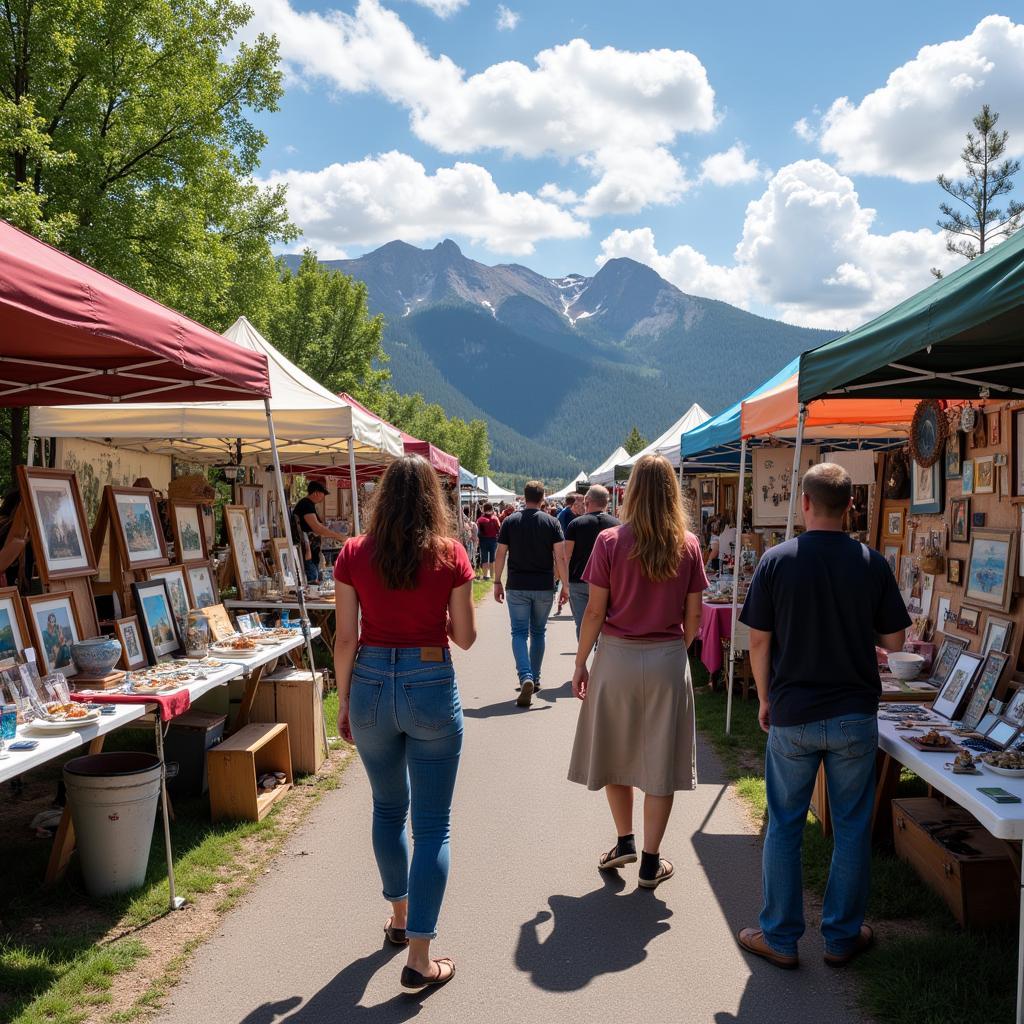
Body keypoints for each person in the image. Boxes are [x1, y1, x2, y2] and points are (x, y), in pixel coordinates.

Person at [736, 462, 910, 970]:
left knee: (785, 825)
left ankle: (781, 938)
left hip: (792, 712)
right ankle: (841, 937)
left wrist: (765, 698)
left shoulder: (775, 561)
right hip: (854, 713)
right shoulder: (872, 563)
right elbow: (895, 642)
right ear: (851, 506)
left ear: (805, 503)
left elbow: (758, 641)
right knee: (852, 827)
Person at [333, 455, 477, 992]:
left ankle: (398, 918)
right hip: (430, 679)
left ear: (382, 498)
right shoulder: (451, 555)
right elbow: (464, 637)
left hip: (369, 680)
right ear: (432, 500)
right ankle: (419, 955)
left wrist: (344, 700)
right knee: (432, 823)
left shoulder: (353, 553)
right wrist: (432, 614)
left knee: (387, 808)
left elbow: (345, 637)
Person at [568, 454, 706, 889]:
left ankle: (624, 840)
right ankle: (650, 861)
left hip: (617, 658)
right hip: (666, 656)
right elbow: (695, 617)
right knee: (660, 761)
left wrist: (580, 662)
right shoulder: (687, 544)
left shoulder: (609, 542)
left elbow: (594, 610)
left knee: (615, 752)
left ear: (631, 494)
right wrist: (673, 651)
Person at [493, 480, 568, 707]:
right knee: (538, 632)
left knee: (518, 633)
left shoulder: (510, 521)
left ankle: (525, 675)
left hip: (517, 585)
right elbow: (560, 557)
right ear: (543, 497)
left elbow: (500, 554)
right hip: (544, 585)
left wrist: (496, 581)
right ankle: (534, 678)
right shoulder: (552, 522)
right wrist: (565, 585)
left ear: (524, 497)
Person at [564, 485, 620, 639]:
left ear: (587, 501)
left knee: (582, 625)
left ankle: (584, 658)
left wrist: (563, 582)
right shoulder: (618, 525)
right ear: (607, 502)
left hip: (579, 580)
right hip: (608, 582)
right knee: (605, 625)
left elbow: (566, 555)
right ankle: (598, 657)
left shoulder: (575, 524)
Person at [293, 481, 348, 584]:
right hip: (308, 555)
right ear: (316, 493)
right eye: (323, 494)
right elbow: (317, 528)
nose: (323, 497)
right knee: (313, 582)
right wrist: (339, 537)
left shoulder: (309, 505)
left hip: (312, 553)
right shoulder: (306, 505)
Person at [476, 503, 500, 580]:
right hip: (493, 540)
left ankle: (486, 576)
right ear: (492, 509)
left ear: (483, 509)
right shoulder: (495, 518)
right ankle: (492, 576)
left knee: (484, 559)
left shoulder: (480, 520)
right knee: (493, 559)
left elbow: (477, 532)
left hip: (483, 541)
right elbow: (499, 529)